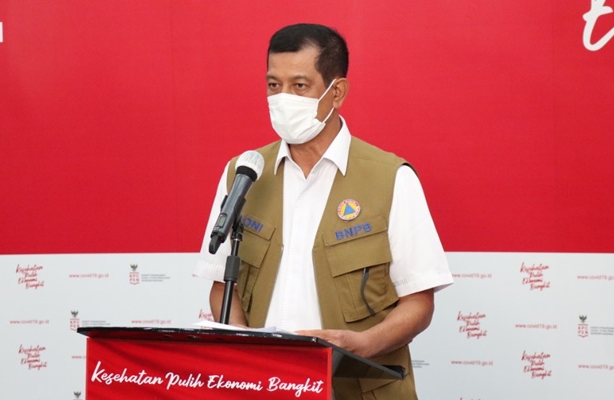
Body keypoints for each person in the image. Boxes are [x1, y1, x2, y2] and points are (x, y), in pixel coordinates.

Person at [194, 23, 453, 399]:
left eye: (299, 86)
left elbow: (419, 302)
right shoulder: (244, 173)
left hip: (357, 390)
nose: (283, 98)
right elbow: (222, 285)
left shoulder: (391, 178)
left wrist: (363, 344)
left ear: (337, 92)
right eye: (274, 85)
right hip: (267, 387)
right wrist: (249, 355)